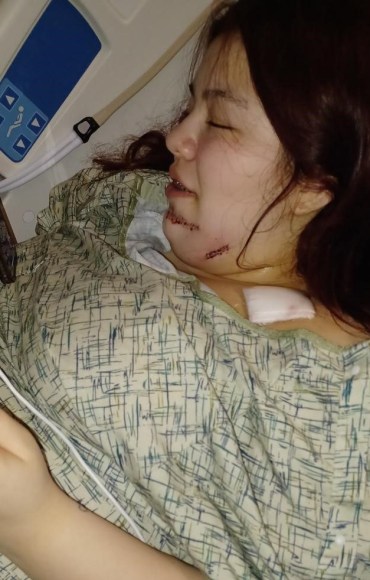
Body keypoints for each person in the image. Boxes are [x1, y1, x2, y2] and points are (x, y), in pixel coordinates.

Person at [0, 0, 370, 577]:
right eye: (190, 103)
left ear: (316, 183)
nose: (176, 136)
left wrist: (39, 527)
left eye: (219, 122)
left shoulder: (344, 406)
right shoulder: (136, 205)